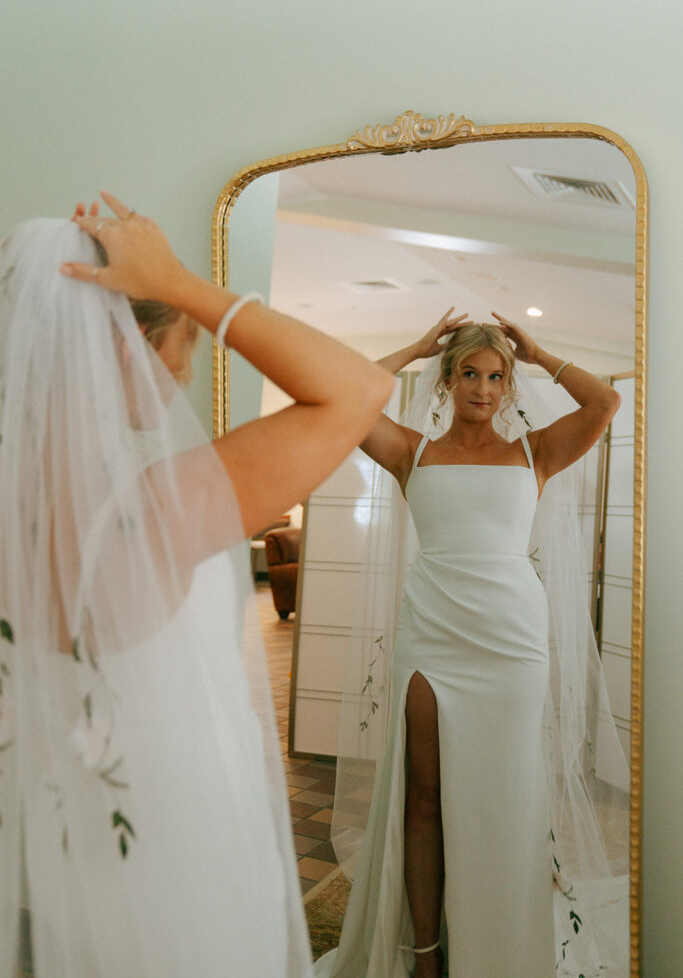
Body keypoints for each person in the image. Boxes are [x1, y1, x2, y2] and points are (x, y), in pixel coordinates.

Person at [0, 194, 394, 978]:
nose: (185, 368)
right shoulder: (155, 511)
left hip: (38, 859)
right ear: (124, 348)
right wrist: (185, 283)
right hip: (168, 857)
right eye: (181, 341)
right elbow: (357, 390)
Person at [315, 311, 628, 978]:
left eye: (495, 376)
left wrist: (537, 349)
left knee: (506, 799)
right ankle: (426, 952)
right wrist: (415, 345)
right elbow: (346, 396)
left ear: (509, 386)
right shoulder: (410, 451)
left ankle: (500, 949)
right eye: (468, 374)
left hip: (511, 643)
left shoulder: (533, 452)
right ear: (445, 381)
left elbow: (605, 402)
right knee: (423, 798)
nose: (482, 388)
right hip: (432, 637)